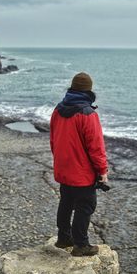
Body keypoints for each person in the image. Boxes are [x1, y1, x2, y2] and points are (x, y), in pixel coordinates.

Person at [50, 72, 108, 256]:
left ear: (72, 88)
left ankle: (64, 238)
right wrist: (103, 171)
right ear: (88, 90)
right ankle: (81, 245)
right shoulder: (88, 114)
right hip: (82, 173)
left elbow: (53, 140)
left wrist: (60, 161)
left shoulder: (58, 110)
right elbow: (96, 148)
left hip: (63, 168)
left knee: (66, 202)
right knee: (86, 205)